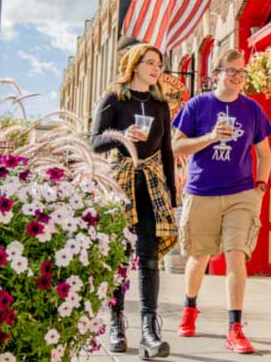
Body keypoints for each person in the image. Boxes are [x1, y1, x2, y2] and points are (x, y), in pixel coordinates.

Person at [172, 49, 271, 354]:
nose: (238, 78)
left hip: (241, 193)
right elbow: (176, 145)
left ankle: (235, 327)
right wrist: (210, 137)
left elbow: (265, 154)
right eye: (231, 72)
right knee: (199, 256)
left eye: (242, 73)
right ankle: (189, 308)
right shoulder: (198, 105)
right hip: (202, 190)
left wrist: (260, 187)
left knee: (235, 254)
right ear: (215, 74)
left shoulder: (252, 109)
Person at [90, 43, 177, 360]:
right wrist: (123, 135)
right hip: (120, 184)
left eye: (160, 64)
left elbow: (166, 150)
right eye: (151, 62)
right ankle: (115, 323)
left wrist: (172, 195)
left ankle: (150, 330)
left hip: (151, 186)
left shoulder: (159, 105)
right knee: (120, 257)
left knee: (150, 257)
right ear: (135, 64)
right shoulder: (115, 98)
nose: (157, 69)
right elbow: (94, 142)